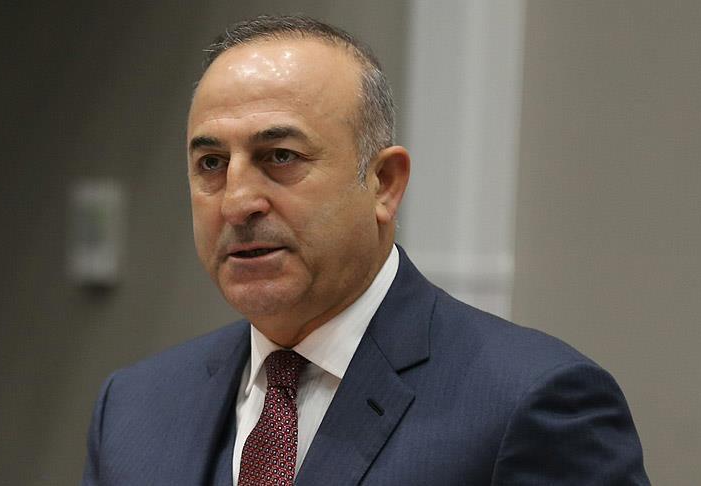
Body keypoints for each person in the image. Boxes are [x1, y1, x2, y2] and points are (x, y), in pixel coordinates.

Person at [82, 15, 649, 485]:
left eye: (280, 156)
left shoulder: (529, 403)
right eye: (212, 163)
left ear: (384, 184)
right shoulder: (133, 408)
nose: (237, 202)